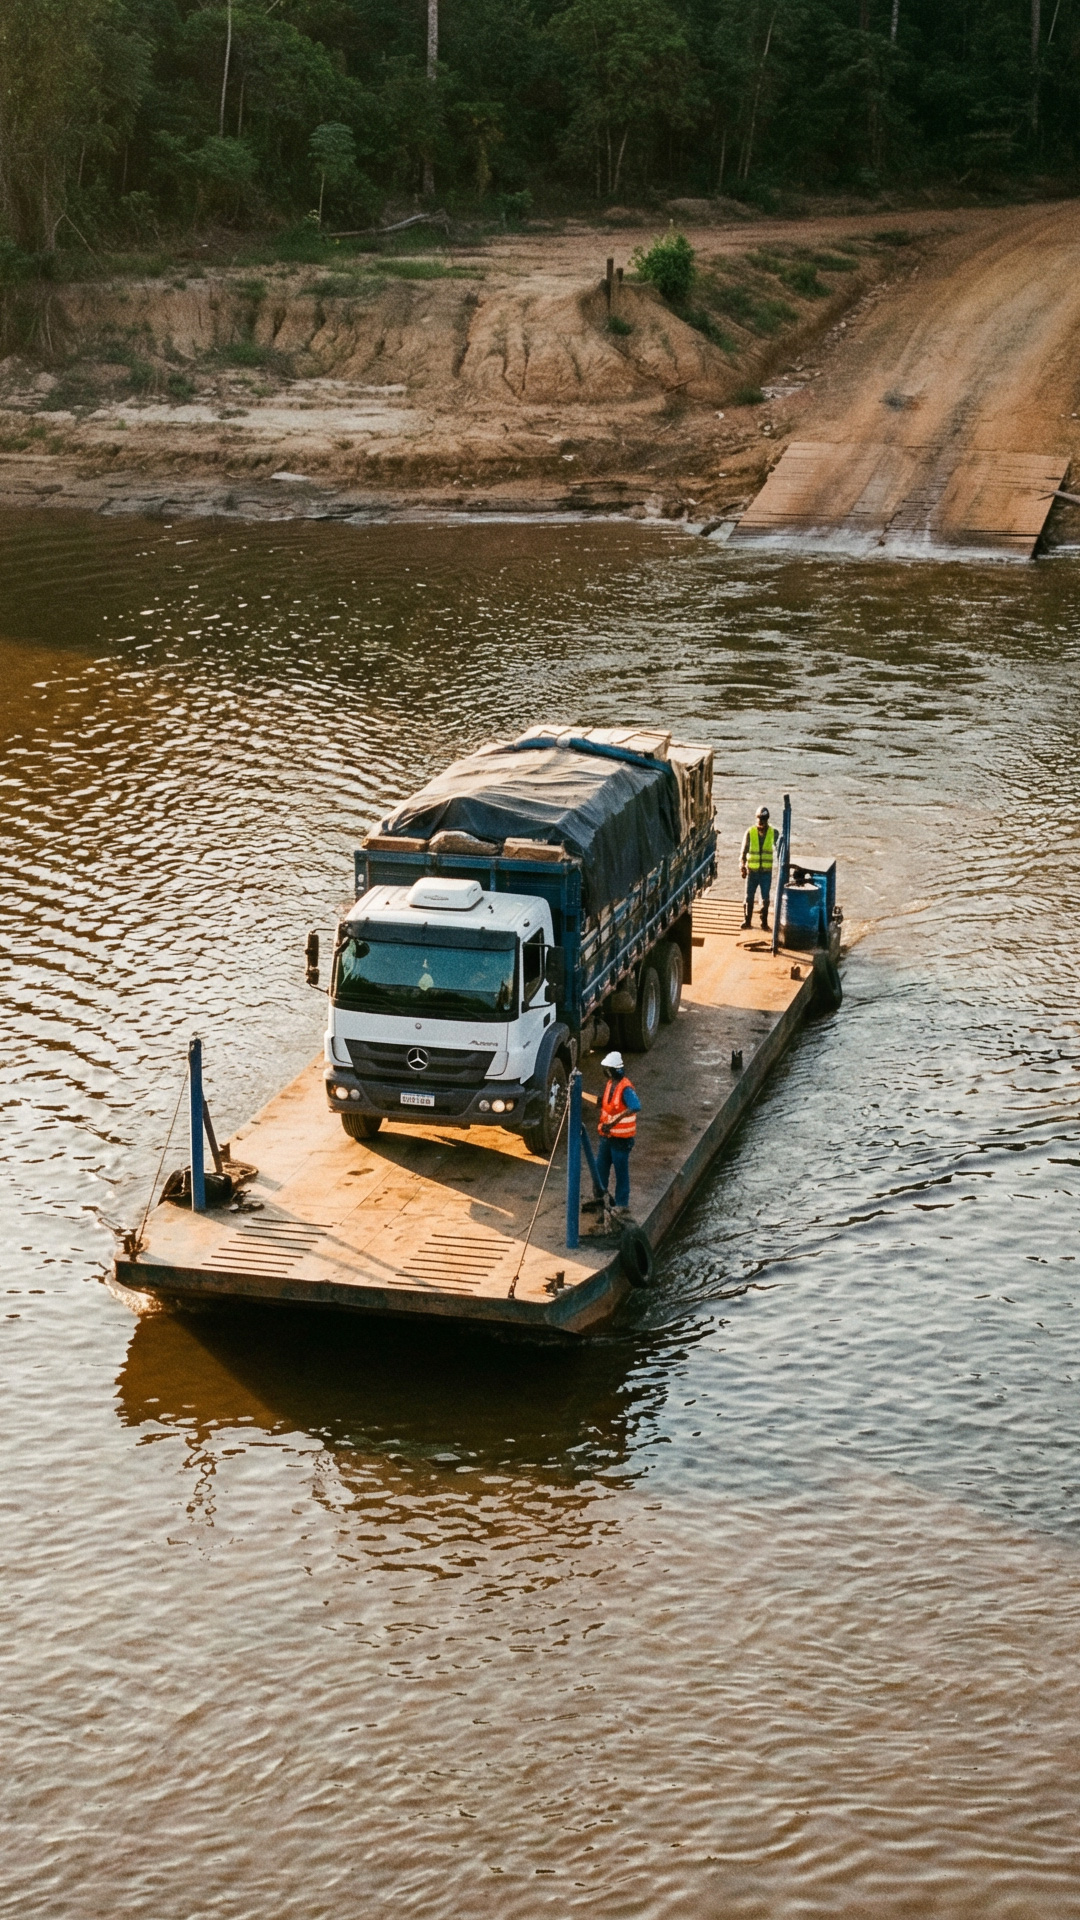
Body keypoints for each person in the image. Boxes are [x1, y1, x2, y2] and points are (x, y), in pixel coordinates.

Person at [587, 1050, 641, 1218]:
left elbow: (635, 1106)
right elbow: (607, 1104)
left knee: (620, 1172)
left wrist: (613, 1123)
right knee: (600, 1169)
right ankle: (600, 1197)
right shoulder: (611, 1085)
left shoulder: (626, 1088)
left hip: (621, 1140)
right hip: (607, 1137)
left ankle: (622, 1204)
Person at [740, 805, 776, 930]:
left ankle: (764, 922)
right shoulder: (750, 832)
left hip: (766, 872)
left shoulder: (773, 833)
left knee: (765, 899)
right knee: (748, 897)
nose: (761, 822)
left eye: (763, 819)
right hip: (752, 872)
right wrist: (742, 866)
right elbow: (743, 852)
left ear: (767, 819)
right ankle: (747, 921)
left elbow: (780, 848)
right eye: (759, 819)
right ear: (756, 818)